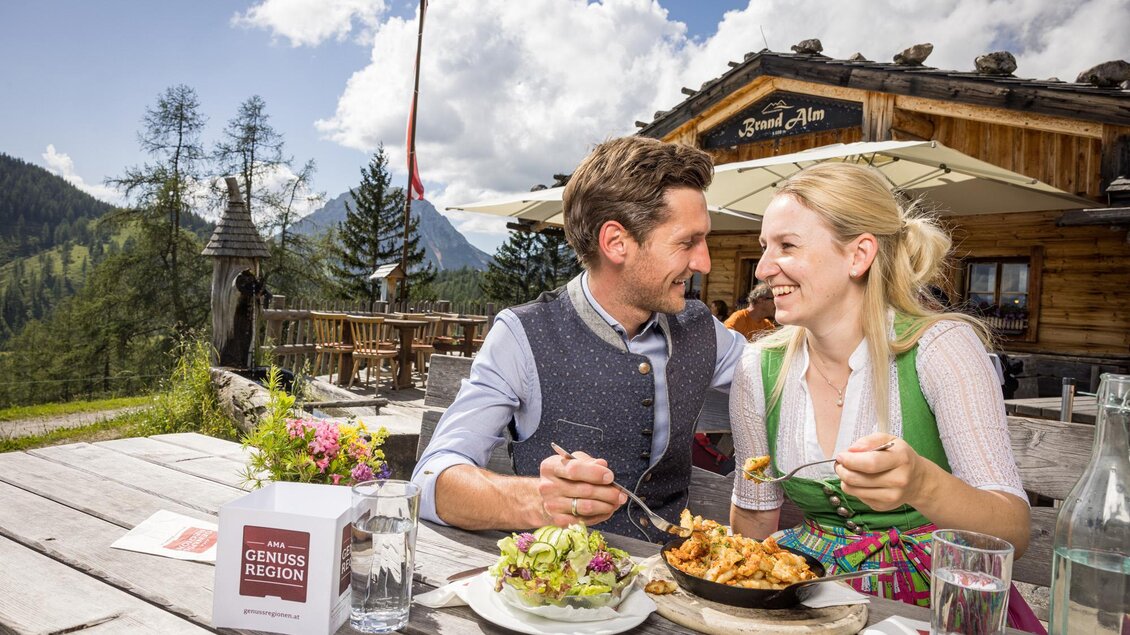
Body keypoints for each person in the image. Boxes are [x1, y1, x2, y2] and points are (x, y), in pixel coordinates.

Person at [728, 163, 1038, 627]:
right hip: (809, 589)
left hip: (932, 592)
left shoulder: (940, 347)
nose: (764, 268)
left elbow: (1012, 528)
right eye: (764, 248)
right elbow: (754, 519)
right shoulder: (759, 367)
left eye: (787, 246)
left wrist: (922, 484)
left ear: (859, 255)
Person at [412, 136, 747, 542]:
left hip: (673, 586)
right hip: (562, 593)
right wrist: (538, 500)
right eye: (687, 242)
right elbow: (431, 482)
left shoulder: (702, 328)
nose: (703, 262)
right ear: (616, 243)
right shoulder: (522, 335)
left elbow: (783, 377)